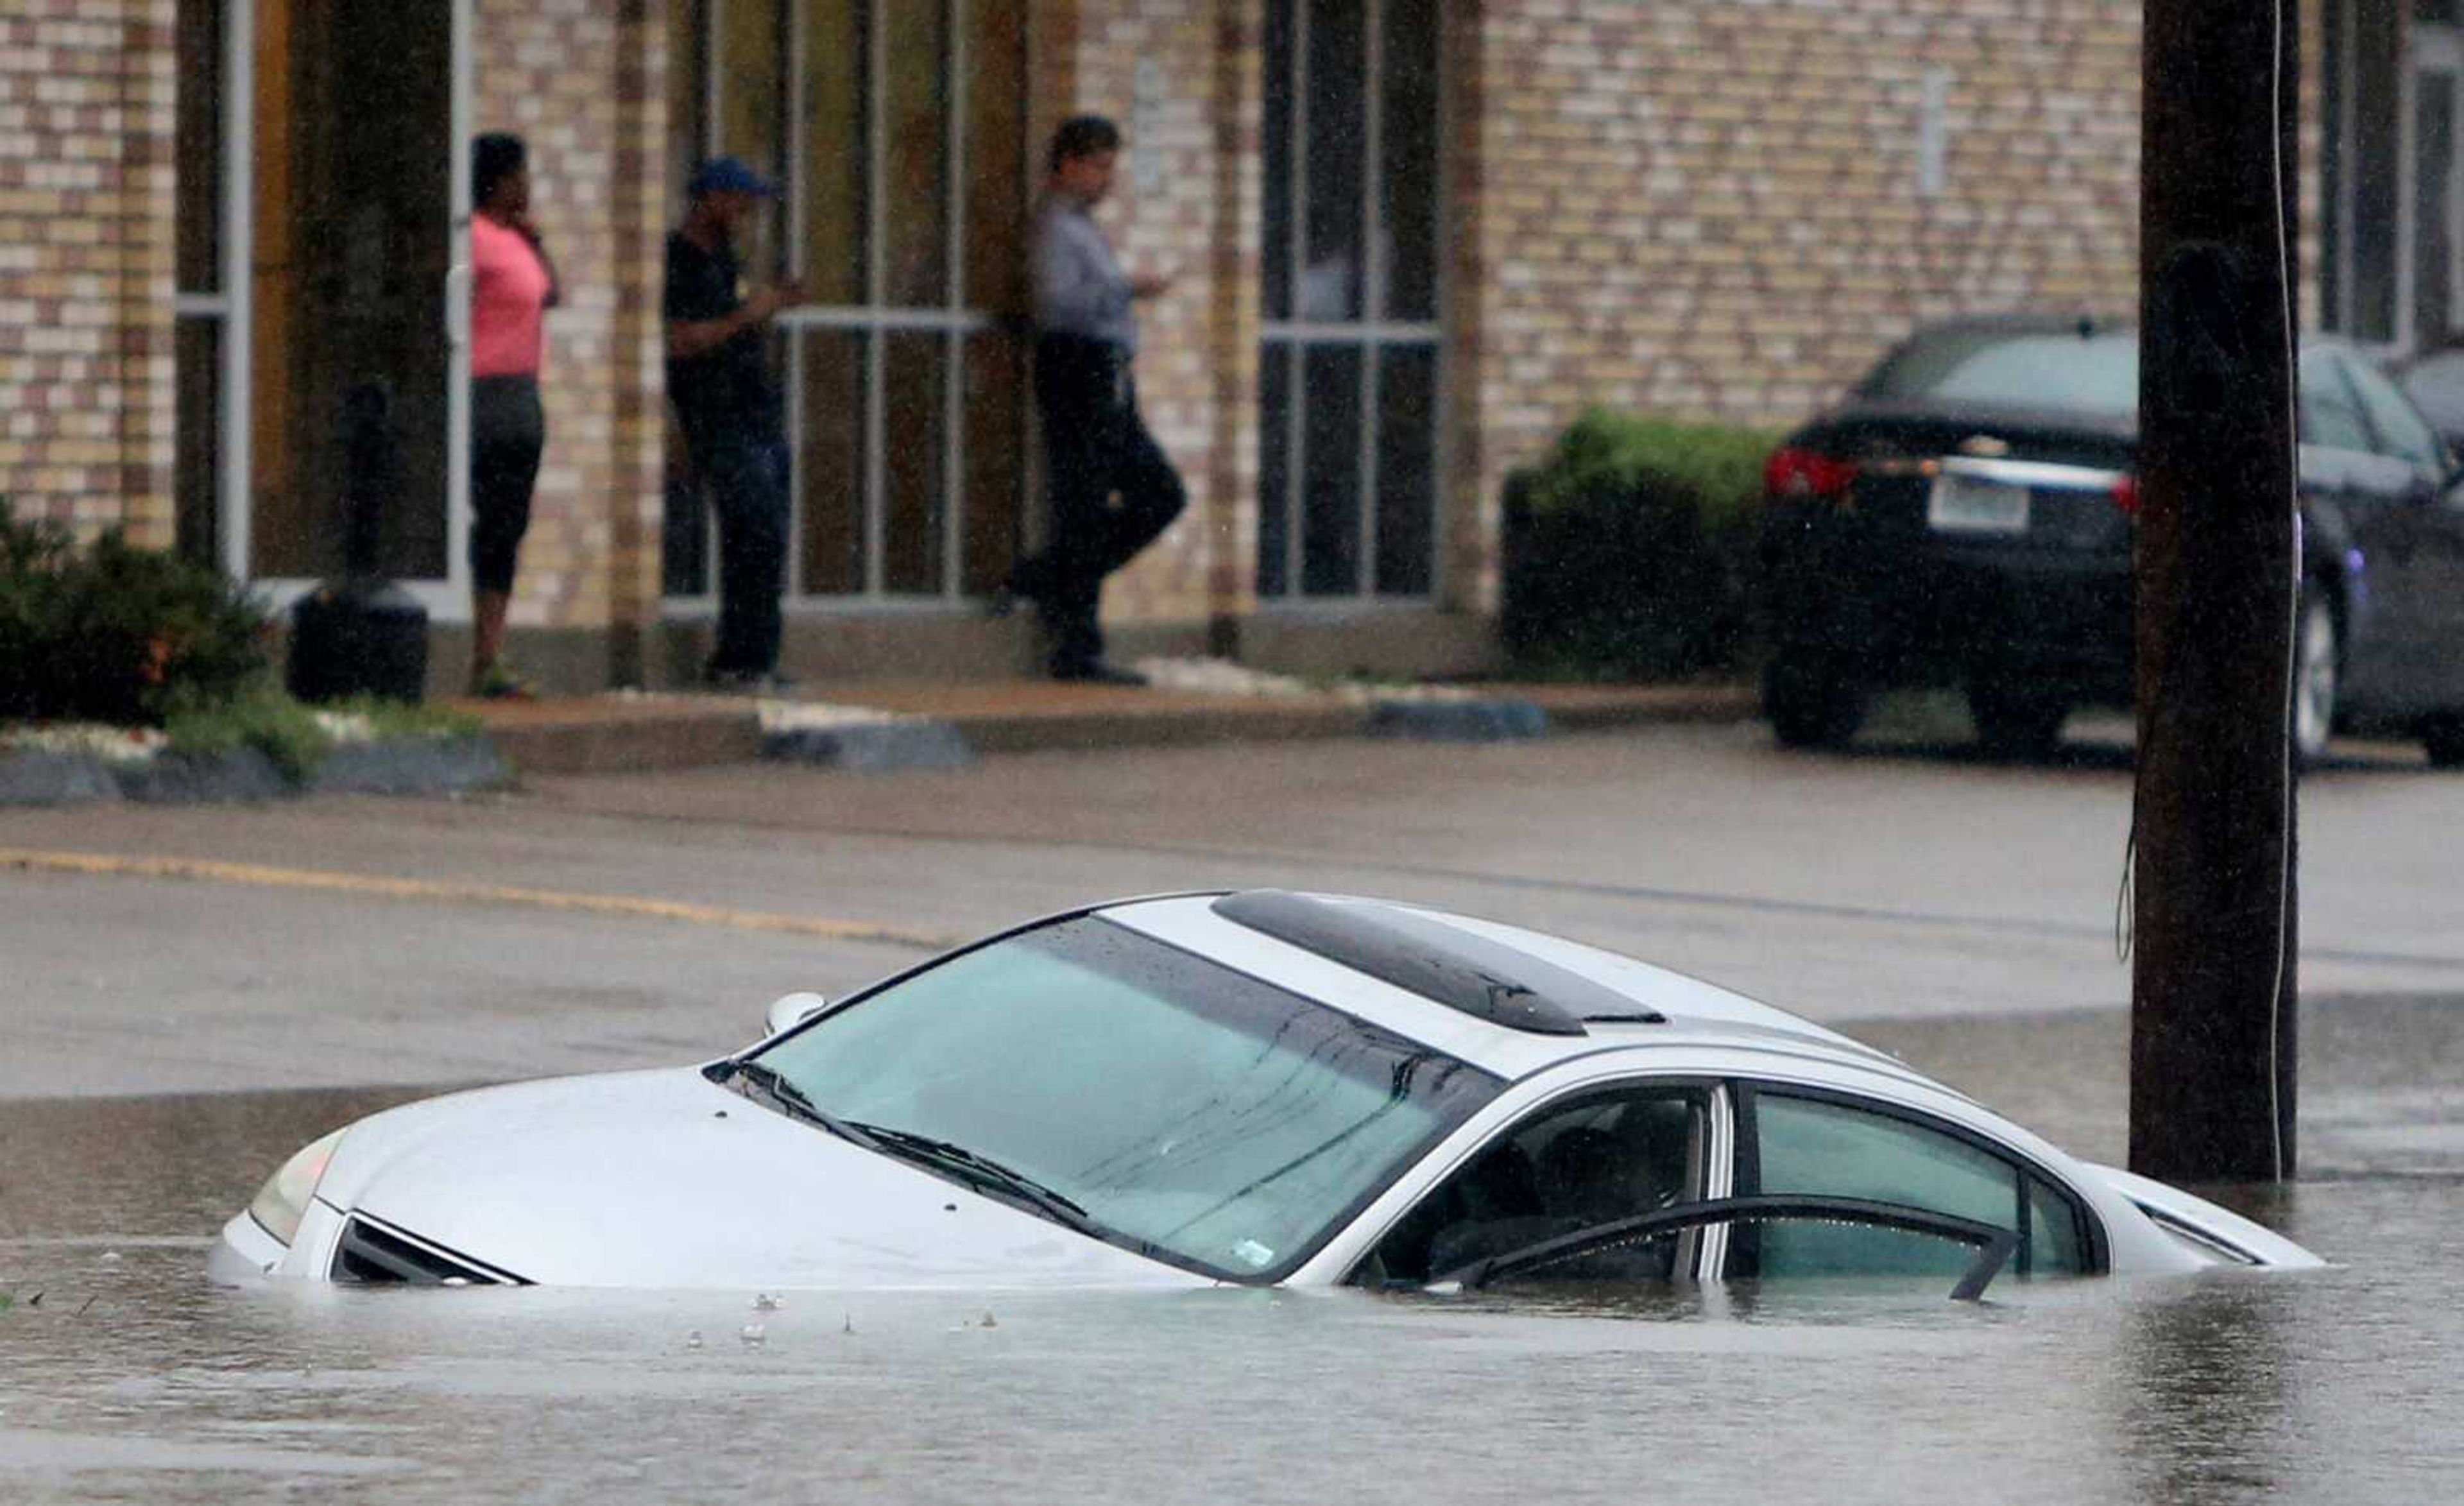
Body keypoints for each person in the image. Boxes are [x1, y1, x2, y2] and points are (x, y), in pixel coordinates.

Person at [998, 115, 1186, 685]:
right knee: (1090, 503)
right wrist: (1127, 286)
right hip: (1077, 366)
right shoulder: (1056, 226)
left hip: (1103, 370)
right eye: (1100, 167)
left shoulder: (1080, 226)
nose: (1108, 180)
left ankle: (1046, 581)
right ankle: (1072, 636)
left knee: (1156, 493)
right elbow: (1058, 303)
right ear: (1070, 165)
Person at [664, 156, 805, 691]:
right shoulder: (679, 260)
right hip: (716, 416)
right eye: (741, 200)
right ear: (712, 199)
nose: (748, 212)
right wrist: (748, 315)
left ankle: (759, 657)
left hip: (755, 411)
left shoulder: (728, 258)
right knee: (751, 528)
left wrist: (769, 306)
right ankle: (735, 660)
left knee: (769, 535)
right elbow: (681, 339)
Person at [466, 131, 559, 699]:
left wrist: (535, 238)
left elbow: (552, 294)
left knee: (507, 525)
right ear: (496, 180)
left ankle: (489, 657)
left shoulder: (515, 238)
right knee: (482, 523)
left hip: (521, 393)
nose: (527, 185)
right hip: (483, 391)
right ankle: (477, 648)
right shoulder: (471, 237)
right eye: (519, 175)